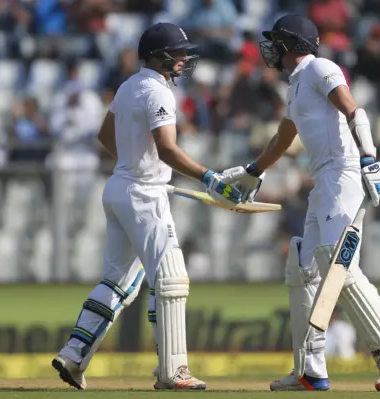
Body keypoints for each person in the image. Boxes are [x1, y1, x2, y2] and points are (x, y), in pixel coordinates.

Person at [221, 14, 380, 391]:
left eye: (276, 42)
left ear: (291, 45)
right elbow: (281, 140)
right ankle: (310, 369)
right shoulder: (294, 87)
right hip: (322, 182)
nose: (270, 50)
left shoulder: (320, 68)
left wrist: (370, 156)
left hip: (343, 174)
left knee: (335, 260)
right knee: (301, 267)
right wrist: (252, 172)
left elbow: (354, 109)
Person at [51, 22, 243, 391]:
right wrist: (210, 178)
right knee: (170, 278)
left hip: (120, 189)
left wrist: (136, 166)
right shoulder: (159, 92)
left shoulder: (127, 86)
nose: (185, 60)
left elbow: (105, 135)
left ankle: (74, 354)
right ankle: (173, 371)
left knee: (119, 282)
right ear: (158, 56)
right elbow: (168, 149)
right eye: (179, 53)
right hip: (143, 197)